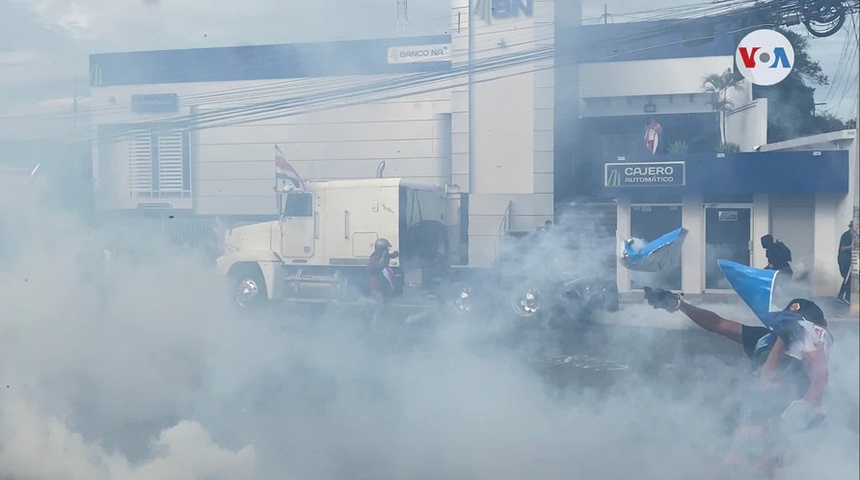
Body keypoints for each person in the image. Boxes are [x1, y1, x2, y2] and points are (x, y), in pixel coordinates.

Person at [644, 287, 834, 478]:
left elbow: (810, 377)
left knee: (759, 463)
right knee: (738, 463)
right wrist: (680, 305)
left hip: (779, 421)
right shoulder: (765, 338)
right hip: (759, 414)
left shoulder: (804, 348)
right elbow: (718, 324)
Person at [366, 238, 398, 323]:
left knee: (387, 304)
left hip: (383, 285)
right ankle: (374, 325)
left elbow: (390, 256)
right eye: (386, 249)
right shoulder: (374, 258)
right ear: (381, 249)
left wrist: (393, 255)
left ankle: (385, 322)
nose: (387, 250)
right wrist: (383, 260)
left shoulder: (382, 256)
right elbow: (373, 267)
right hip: (377, 287)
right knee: (380, 305)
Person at [836, 221, 854, 305]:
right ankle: (841, 296)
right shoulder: (846, 235)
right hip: (845, 260)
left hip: (851, 259)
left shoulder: (854, 236)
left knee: (851, 279)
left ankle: (847, 297)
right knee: (847, 277)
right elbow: (843, 248)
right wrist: (853, 246)